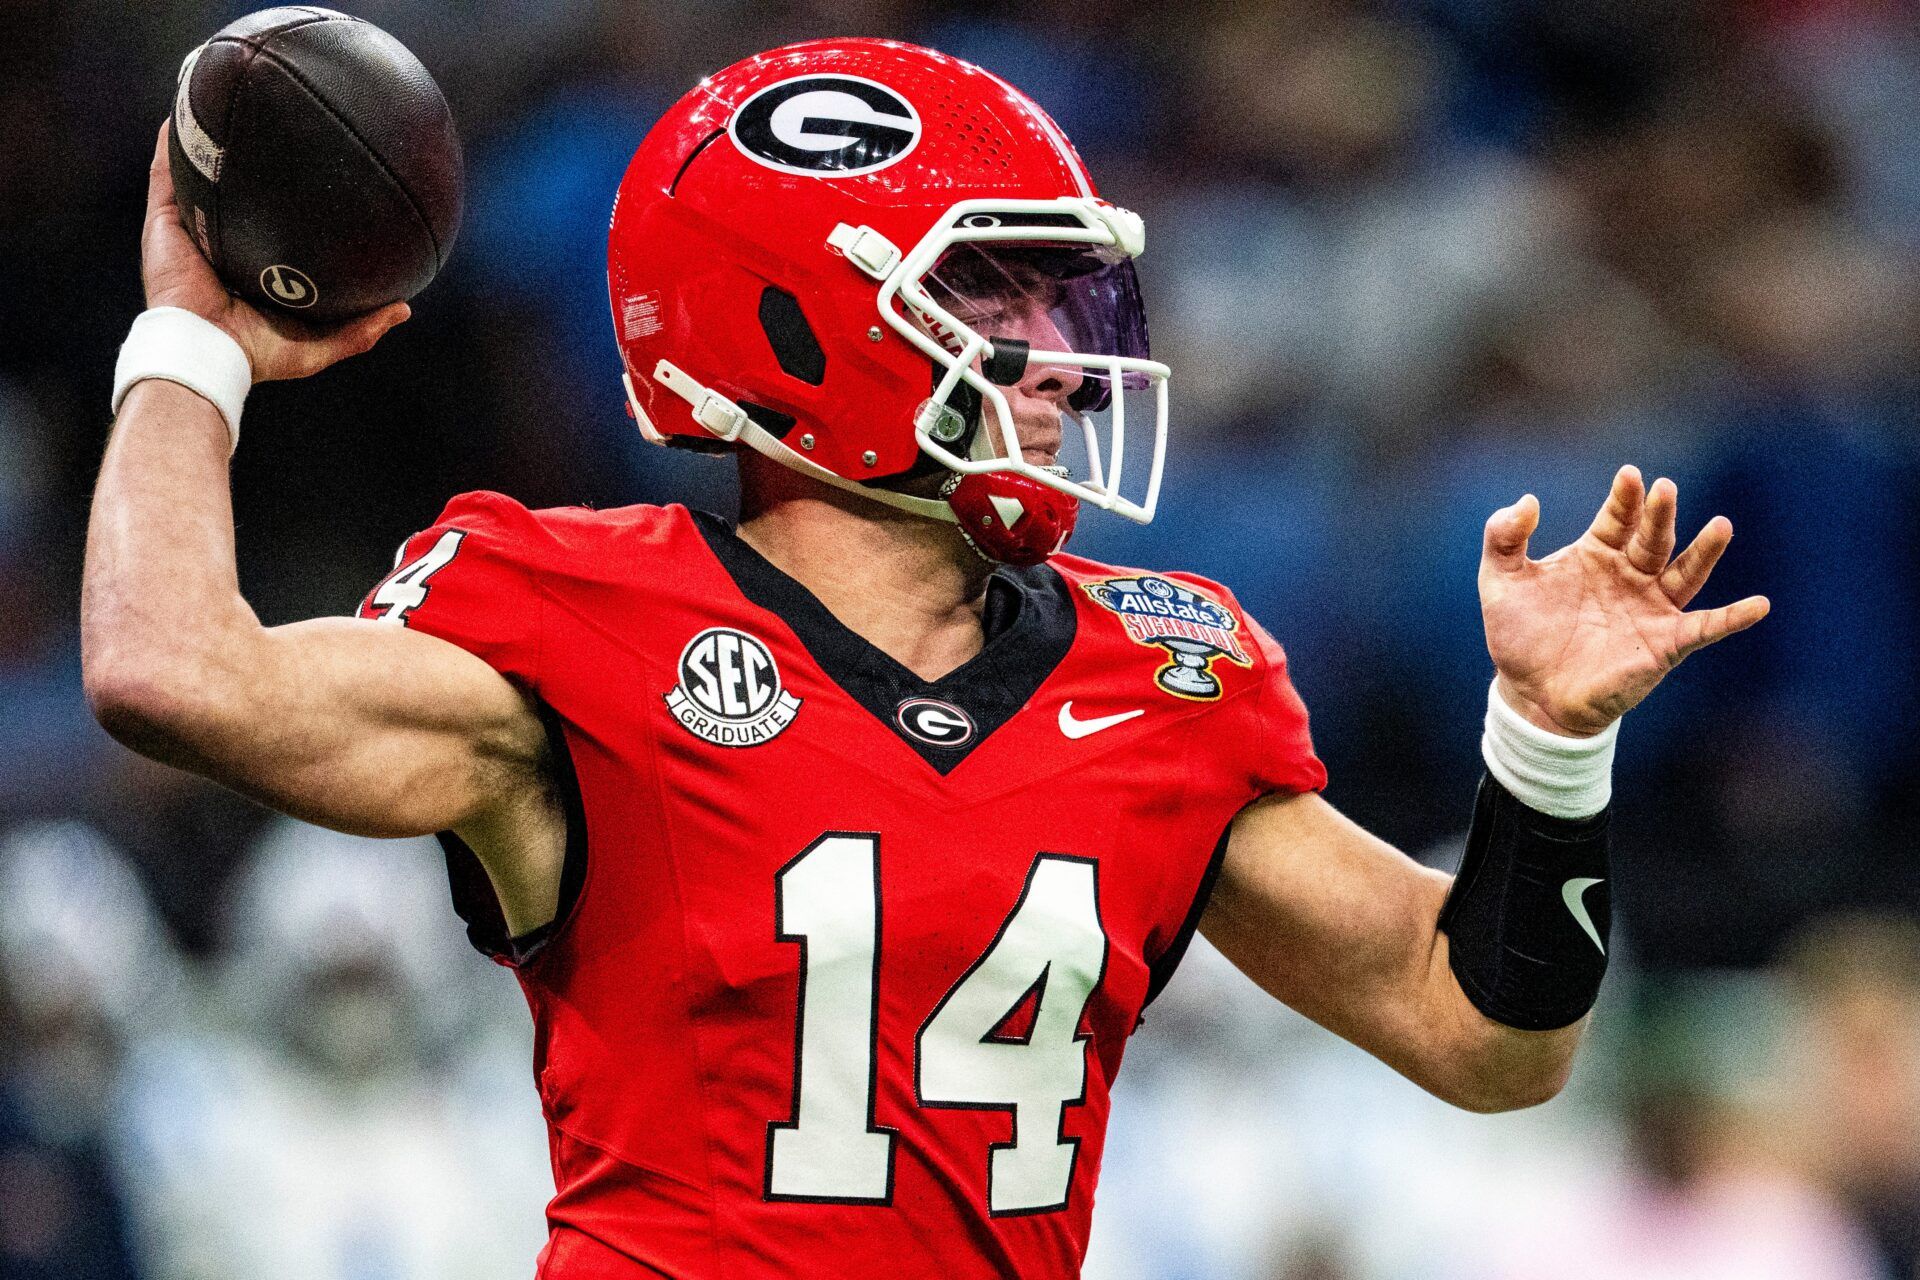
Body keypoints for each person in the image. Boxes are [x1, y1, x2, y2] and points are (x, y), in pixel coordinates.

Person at [82, 38, 1769, 1280]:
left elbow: (1484, 1040)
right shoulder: (581, 617)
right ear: (793, 323)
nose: (1060, 362)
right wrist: (190, 349)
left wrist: (1549, 747)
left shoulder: (1167, 673)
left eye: (1063, 301)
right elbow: (172, 671)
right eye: (1000, 298)